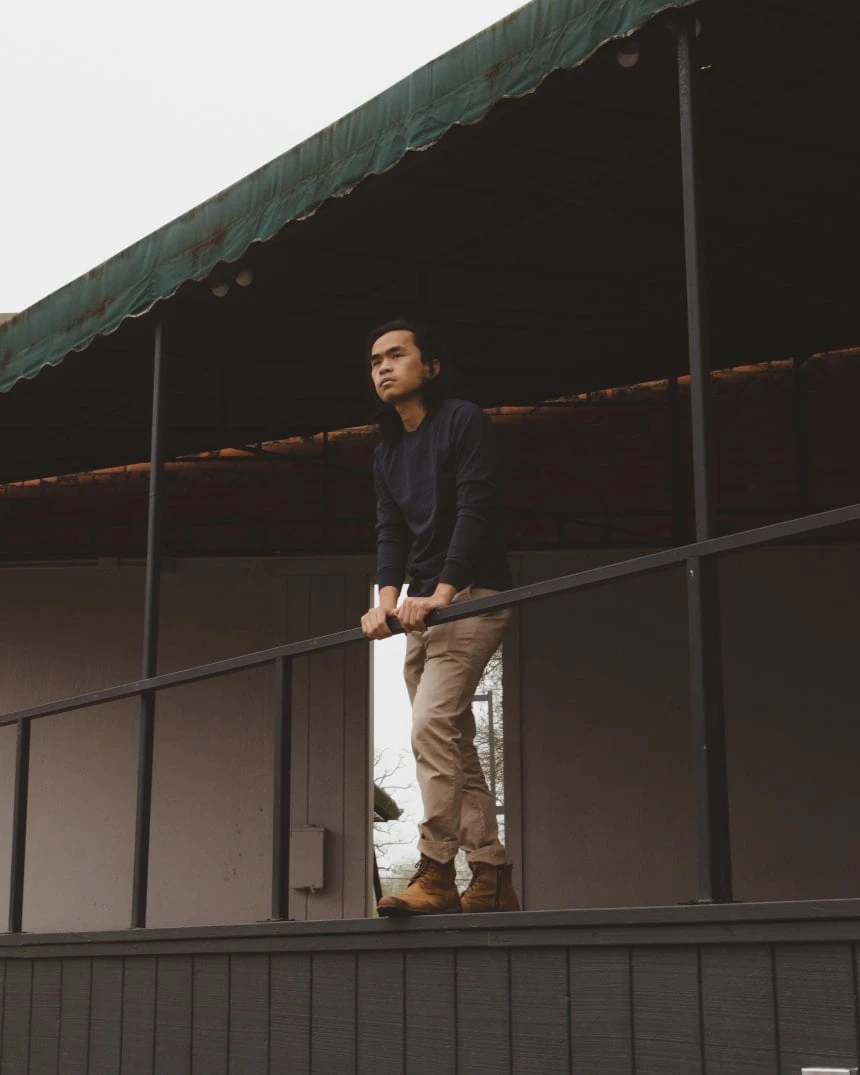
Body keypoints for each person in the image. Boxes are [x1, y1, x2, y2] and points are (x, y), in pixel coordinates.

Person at [360, 320, 520, 916]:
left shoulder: (462, 421)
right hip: (421, 612)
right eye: (375, 360)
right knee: (453, 742)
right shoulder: (387, 452)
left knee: (430, 726)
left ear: (430, 366)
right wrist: (385, 599)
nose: (382, 366)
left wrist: (445, 591)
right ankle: (491, 874)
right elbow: (390, 530)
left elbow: (476, 509)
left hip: (471, 597)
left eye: (396, 355)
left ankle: (436, 872)